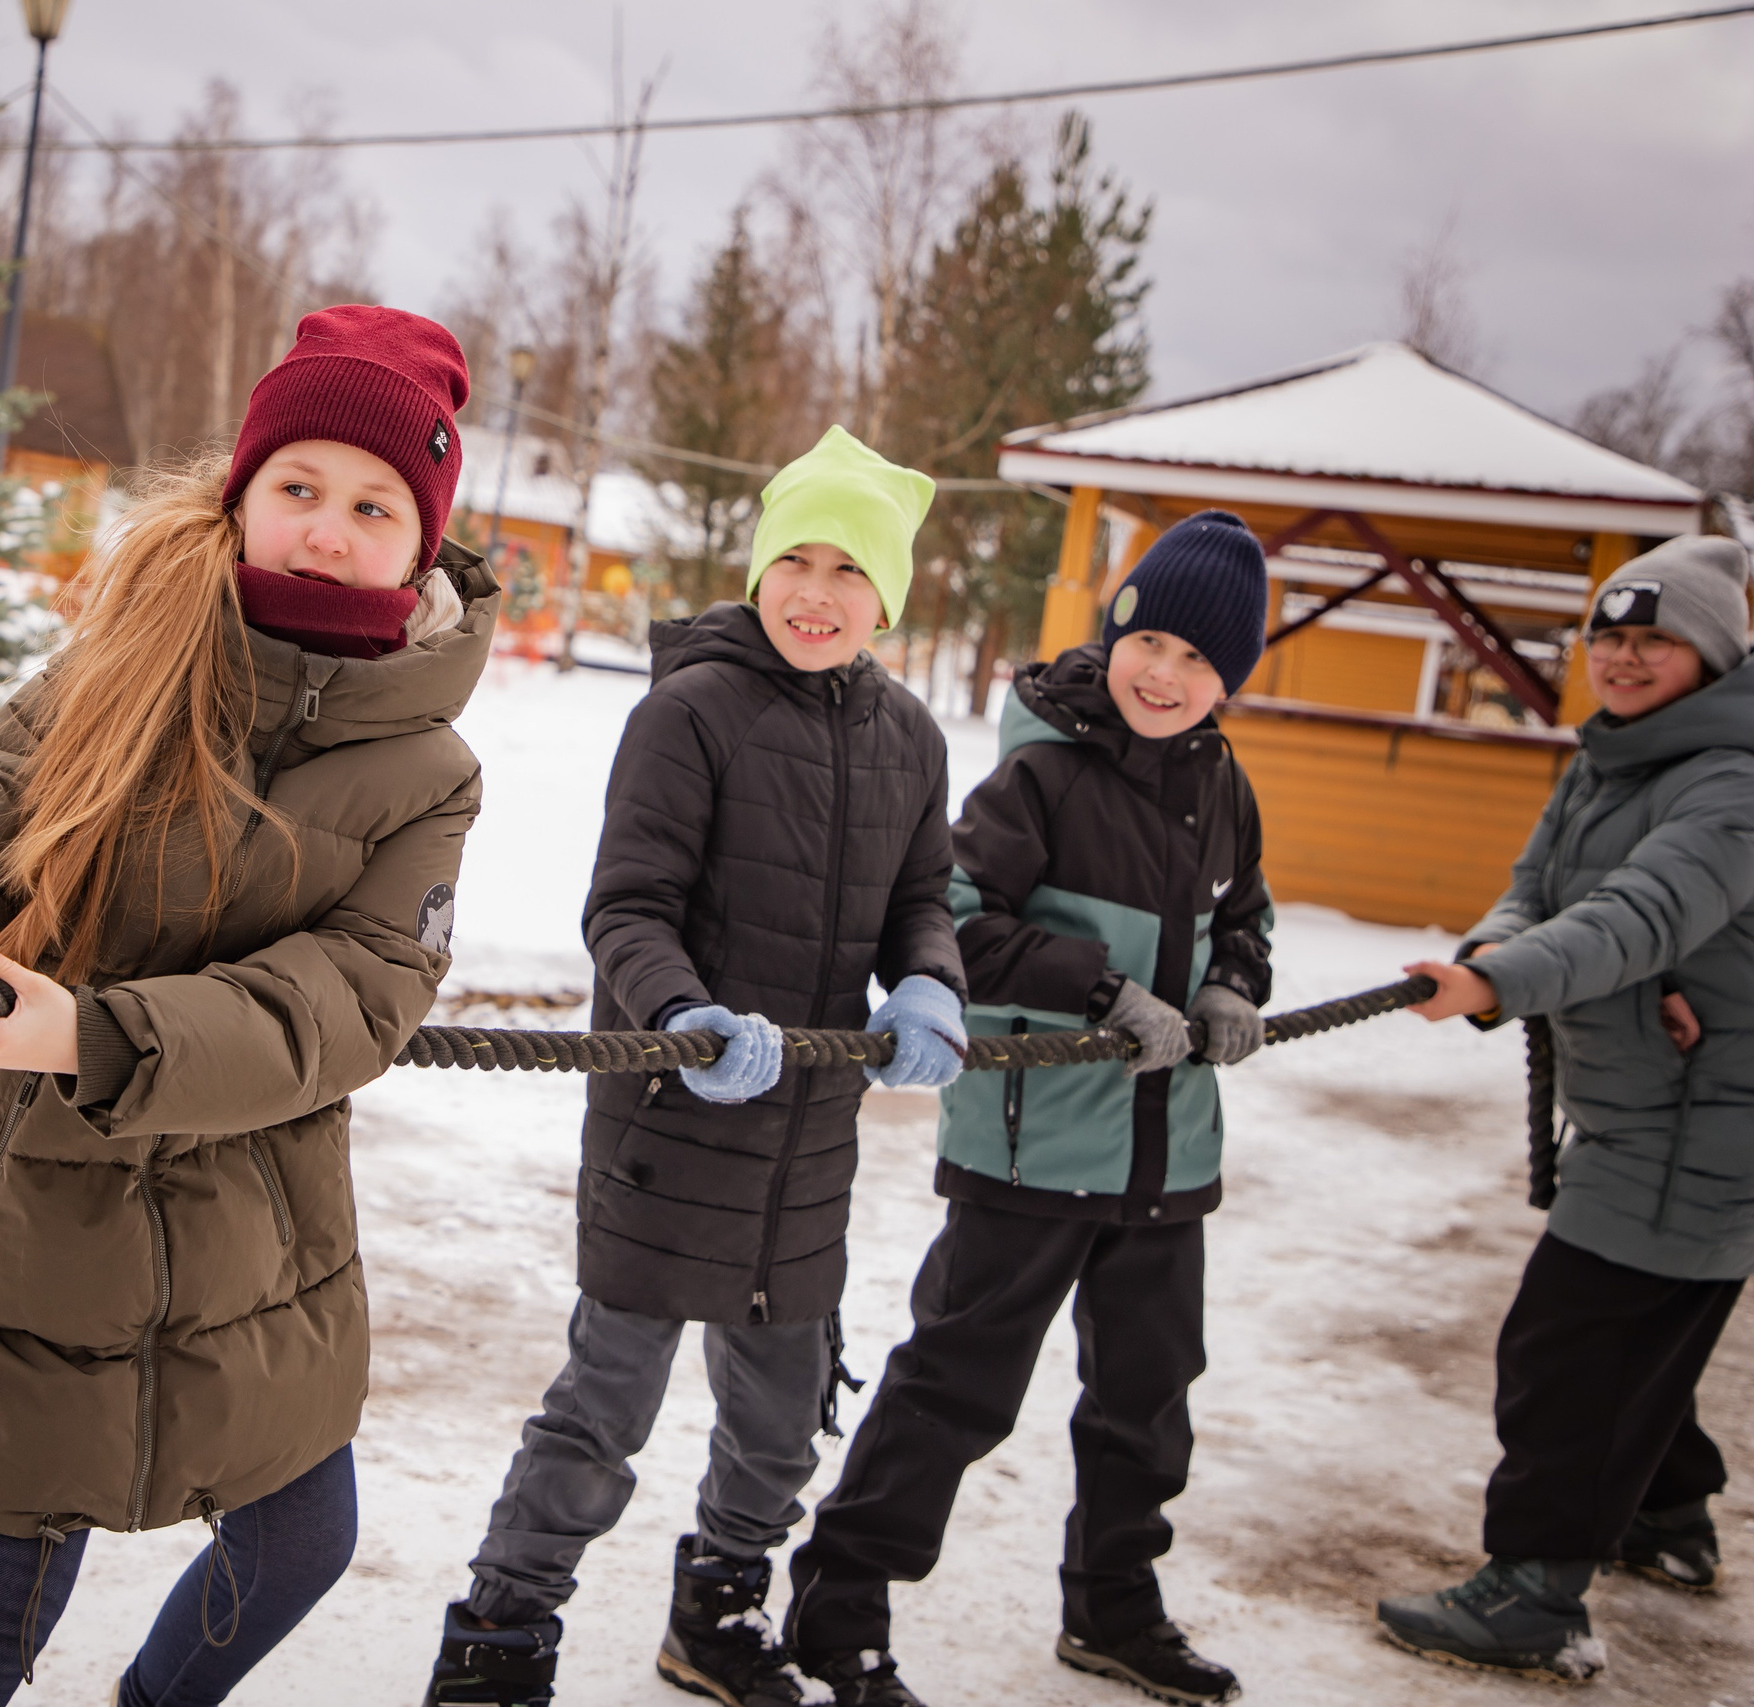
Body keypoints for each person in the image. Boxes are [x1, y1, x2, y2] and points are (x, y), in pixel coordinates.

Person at [0, 305, 499, 1707]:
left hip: (260, 1227)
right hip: (45, 1210)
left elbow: (356, 992)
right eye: (300, 488)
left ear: (423, 539)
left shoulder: (428, 768)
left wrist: (99, 1033)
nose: (328, 528)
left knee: (300, 1536)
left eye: (374, 503)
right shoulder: (121, 663)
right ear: (244, 493)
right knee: (6, 1573)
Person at [424, 425, 971, 1707]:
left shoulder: (909, 739)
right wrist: (688, 1017)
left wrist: (933, 980)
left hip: (808, 1140)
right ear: (759, 565)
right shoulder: (692, 710)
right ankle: (500, 1632)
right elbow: (626, 909)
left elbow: (920, 901)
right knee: (606, 1406)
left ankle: (719, 1608)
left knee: (780, 1423)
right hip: (675, 1122)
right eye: (798, 559)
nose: (817, 591)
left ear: (886, 596)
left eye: (850, 570)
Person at [782, 509, 1275, 1707]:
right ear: (1113, 636)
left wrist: (1229, 985)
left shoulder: (1225, 787)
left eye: (1200, 661)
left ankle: (1114, 1606)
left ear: (1228, 683)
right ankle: (837, 1602)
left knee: (1147, 1399)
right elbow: (954, 920)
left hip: (1166, 1153)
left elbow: (1247, 916)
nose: (1166, 676)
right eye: (1149, 642)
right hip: (1035, 1149)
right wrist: (1102, 989)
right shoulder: (1042, 772)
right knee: (959, 1383)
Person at [1378, 534, 1754, 1685]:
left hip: (1698, 1123)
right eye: (1611, 636)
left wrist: (1496, 983)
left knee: (1566, 1352)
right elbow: (1539, 884)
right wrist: (1498, 939)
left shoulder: (1729, 782)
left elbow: (1633, 917)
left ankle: (1535, 1594)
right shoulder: (1615, 761)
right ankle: (1665, 1522)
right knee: (1638, 1337)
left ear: (1714, 655)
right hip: (1645, 1106)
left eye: (1657, 640)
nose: (1625, 660)